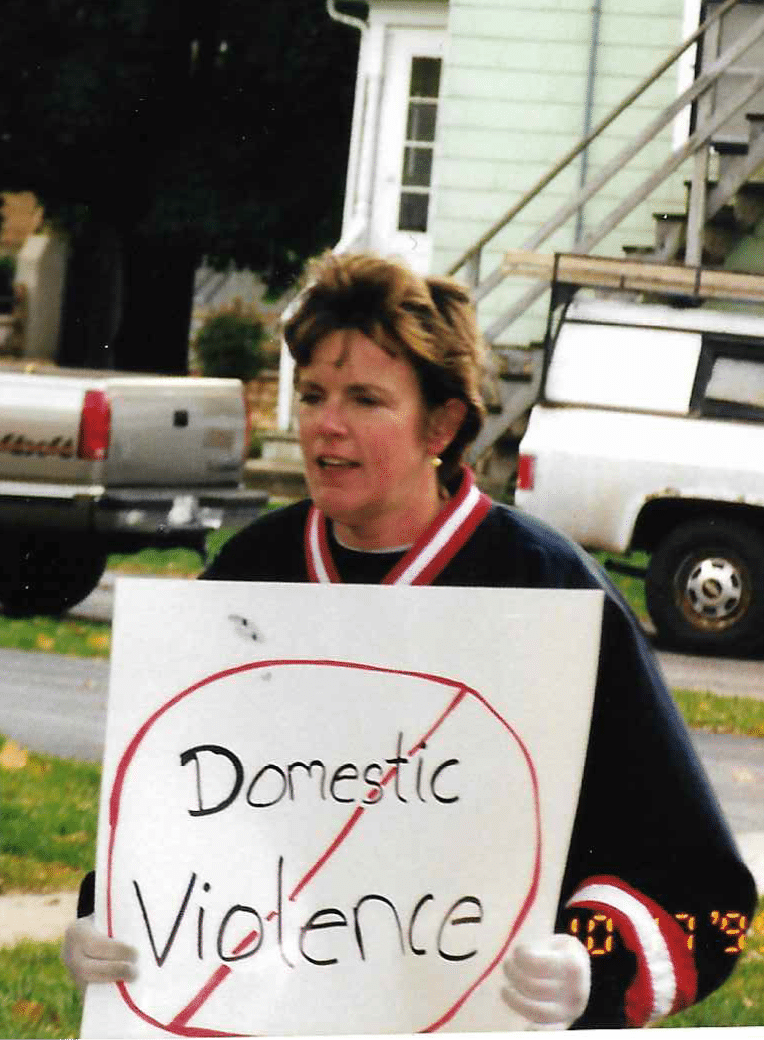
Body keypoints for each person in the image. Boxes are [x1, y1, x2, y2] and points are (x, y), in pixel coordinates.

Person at [63, 252, 757, 1030]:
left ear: (443, 423)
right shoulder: (246, 575)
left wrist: (591, 962)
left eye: (366, 398)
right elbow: (176, 814)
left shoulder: (548, 591)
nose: (328, 423)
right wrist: (113, 912)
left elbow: (707, 893)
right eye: (316, 394)